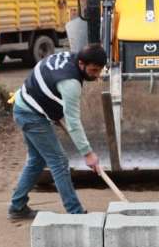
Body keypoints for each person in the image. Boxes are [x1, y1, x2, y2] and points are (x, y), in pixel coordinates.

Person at [7, 44, 107, 220]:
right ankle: (75, 213)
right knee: (59, 161)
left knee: (37, 160)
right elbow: (74, 122)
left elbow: (47, 81)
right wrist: (88, 153)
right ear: (82, 63)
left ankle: (17, 206)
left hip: (25, 105)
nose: (96, 75)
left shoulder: (70, 57)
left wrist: (54, 114)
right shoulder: (71, 83)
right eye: (93, 70)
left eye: (99, 71)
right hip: (31, 115)